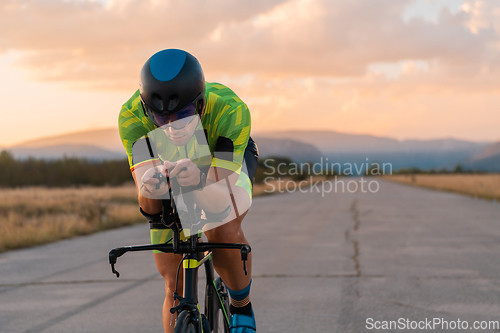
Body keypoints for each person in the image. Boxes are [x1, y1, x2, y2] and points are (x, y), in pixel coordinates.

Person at [118, 49, 258, 333]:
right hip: (168, 168)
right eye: (160, 118)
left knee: (222, 226)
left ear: (201, 104)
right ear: (147, 110)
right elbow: (148, 206)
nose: (172, 127)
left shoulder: (230, 108)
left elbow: (223, 183)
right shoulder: (131, 116)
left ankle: (241, 306)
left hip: (219, 167)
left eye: (183, 114)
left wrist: (197, 178)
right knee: (174, 280)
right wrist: (152, 184)